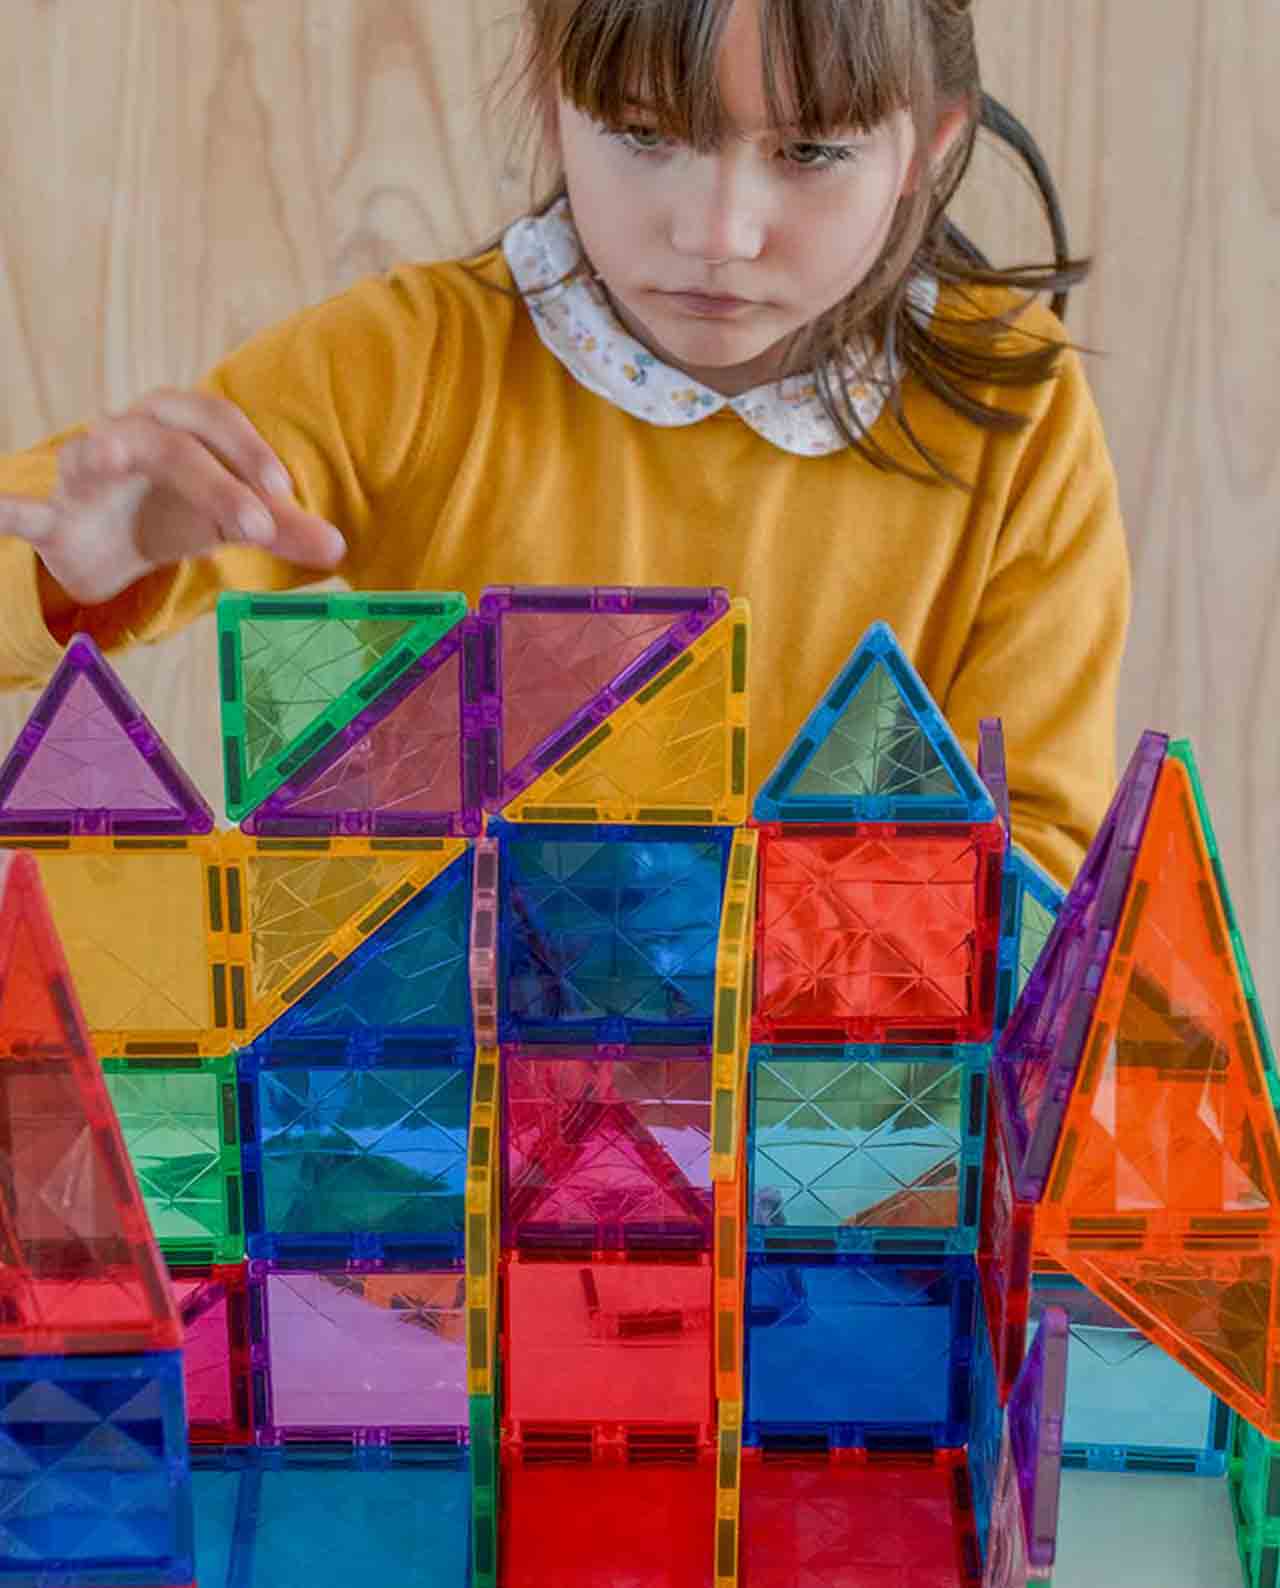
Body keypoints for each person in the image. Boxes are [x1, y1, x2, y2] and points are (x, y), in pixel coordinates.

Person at [0, 0, 1128, 885]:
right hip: (456, 1098)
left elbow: (1034, 852)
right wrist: (68, 572)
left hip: (842, 1105)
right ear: (553, 106)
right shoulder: (408, 363)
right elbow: (48, 530)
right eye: (644, 134)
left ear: (927, 145)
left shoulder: (1013, 405)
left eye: (810, 151)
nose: (716, 234)